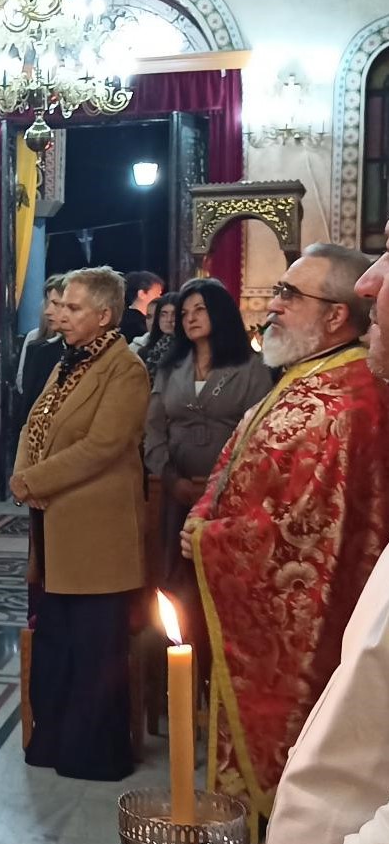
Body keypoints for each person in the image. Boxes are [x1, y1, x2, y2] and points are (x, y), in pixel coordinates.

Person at [177, 240, 389, 844]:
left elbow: (312, 529)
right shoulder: (311, 378)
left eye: (289, 294)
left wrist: (212, 538)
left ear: (334, 316)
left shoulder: (347, 398)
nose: (272, 305)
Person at [12, 266, 149, 781]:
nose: (59, 315)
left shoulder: (124, 369)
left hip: (97, 533)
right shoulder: (69, 360)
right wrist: (23, 473)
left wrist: (34, 480)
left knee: (94, 649)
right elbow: (35, 422)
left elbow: (103, 446)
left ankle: (92, 753)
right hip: (56, 526)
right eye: (60, 305)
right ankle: (52, 741)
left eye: (72, 308)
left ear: (104, 315)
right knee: (58, 643)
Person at [143, 278, 271, 654]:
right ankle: (181, 658)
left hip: (230, 493)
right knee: (176, 578)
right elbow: (153, 427)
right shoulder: (172, 367)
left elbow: (259, 430)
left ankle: (221, 660)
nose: (190, 318)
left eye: (200, 309)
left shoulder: (250, 367)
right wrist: (169, 477)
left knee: (222, 580)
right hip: (176, 489)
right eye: (185, 312)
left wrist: (221, 483)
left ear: (220, 313)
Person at [14, 275, 67, 433]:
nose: (47, 311)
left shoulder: (104, 359)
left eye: (56, 304)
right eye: (48, 303)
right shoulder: (40, 351)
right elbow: (29, 406)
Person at [132, 292, 179, 382]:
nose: (169, 319)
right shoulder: (144, 352)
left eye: (174, 314)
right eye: (163, 314)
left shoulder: (188, 351)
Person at [121, 270, 164, 342]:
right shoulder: (137, 325)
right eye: (158, 293)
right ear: (142, 294)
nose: (160, 298)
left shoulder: (121, 317)